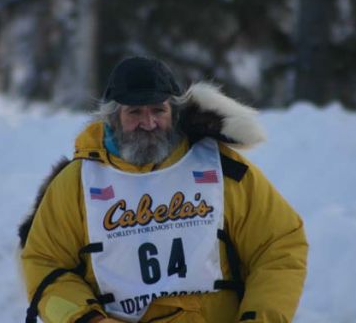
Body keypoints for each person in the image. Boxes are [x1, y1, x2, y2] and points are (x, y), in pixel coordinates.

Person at [18, 57, 307, 323]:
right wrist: (84, 319)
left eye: (158, 110)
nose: (148, 122)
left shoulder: (222, 168)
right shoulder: (77, 183)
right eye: (135, 112)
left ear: (175, 111)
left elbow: (279, 245)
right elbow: (43, 263)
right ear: (113, 116)